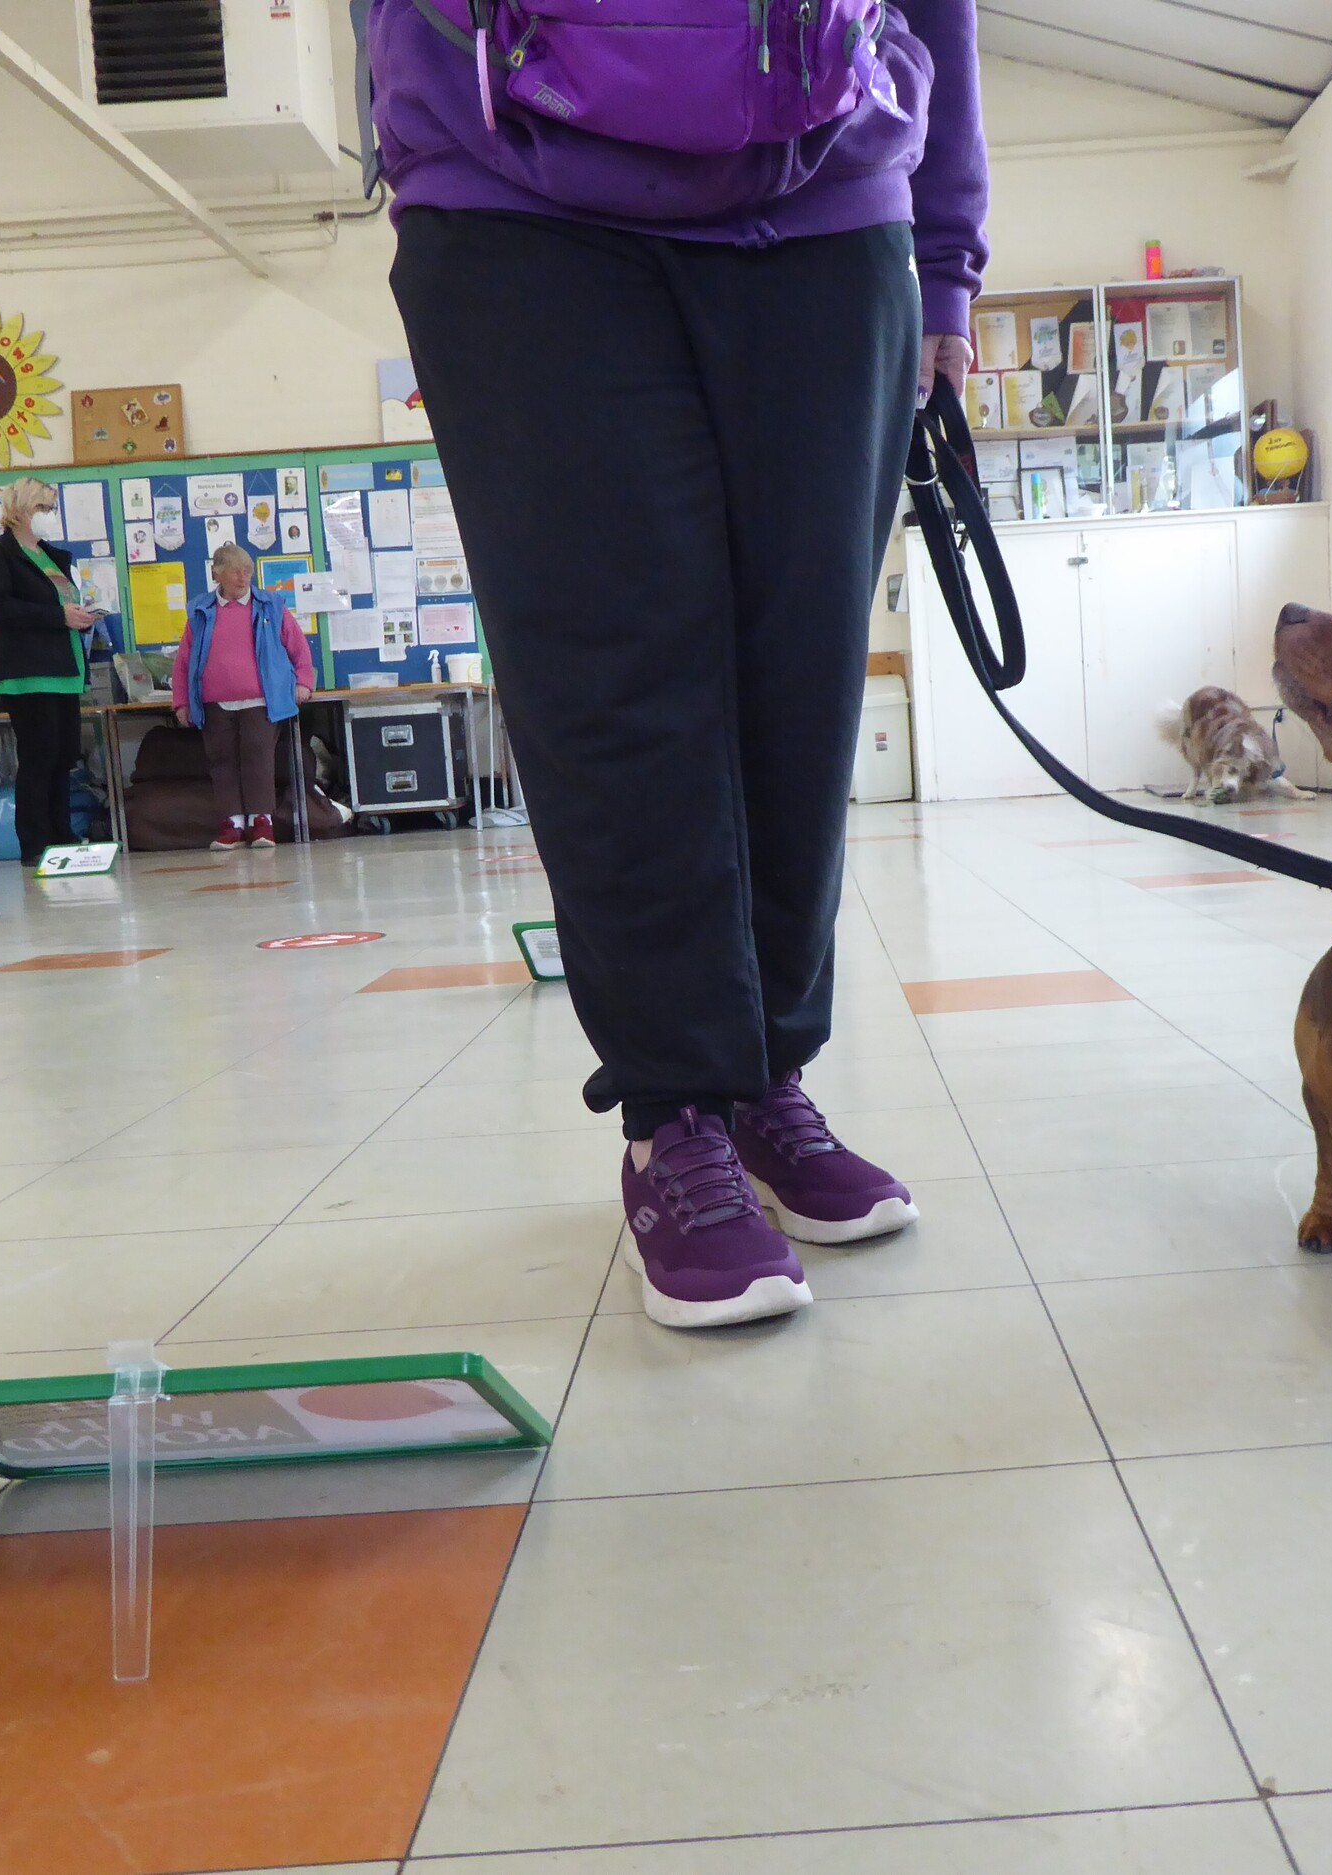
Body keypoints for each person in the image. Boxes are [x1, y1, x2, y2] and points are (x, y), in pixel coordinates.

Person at [369, 1, 989, 1329]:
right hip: (515, 196)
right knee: (610, 674)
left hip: (824, 194)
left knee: (802, 674)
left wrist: (945, 253)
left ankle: (762, 1077)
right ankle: (672, 1116)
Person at [0, 476, 98, 866]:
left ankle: (62, 834)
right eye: (44, 508)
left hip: (64, 669)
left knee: (63, 756)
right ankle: (34, 842)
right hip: (27, 671)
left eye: (51, 508)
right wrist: (58, 616)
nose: (49, 515)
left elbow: (62, 605)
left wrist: (80, 618)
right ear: (23, 510)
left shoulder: (51, 555)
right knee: (38, 756)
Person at [172, 544, 316, 850]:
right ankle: (232, 824)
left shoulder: (270, 606)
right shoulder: (200, 611)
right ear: (217, 574)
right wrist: (181, 702)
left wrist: (304, 681)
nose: (243, 577)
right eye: (235, 571)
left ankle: (262, 822)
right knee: (221, 761)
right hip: (214, 703)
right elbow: (184, 660)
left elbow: (298, 647)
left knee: (258, 758)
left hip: (260, 701)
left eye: (247, 571)